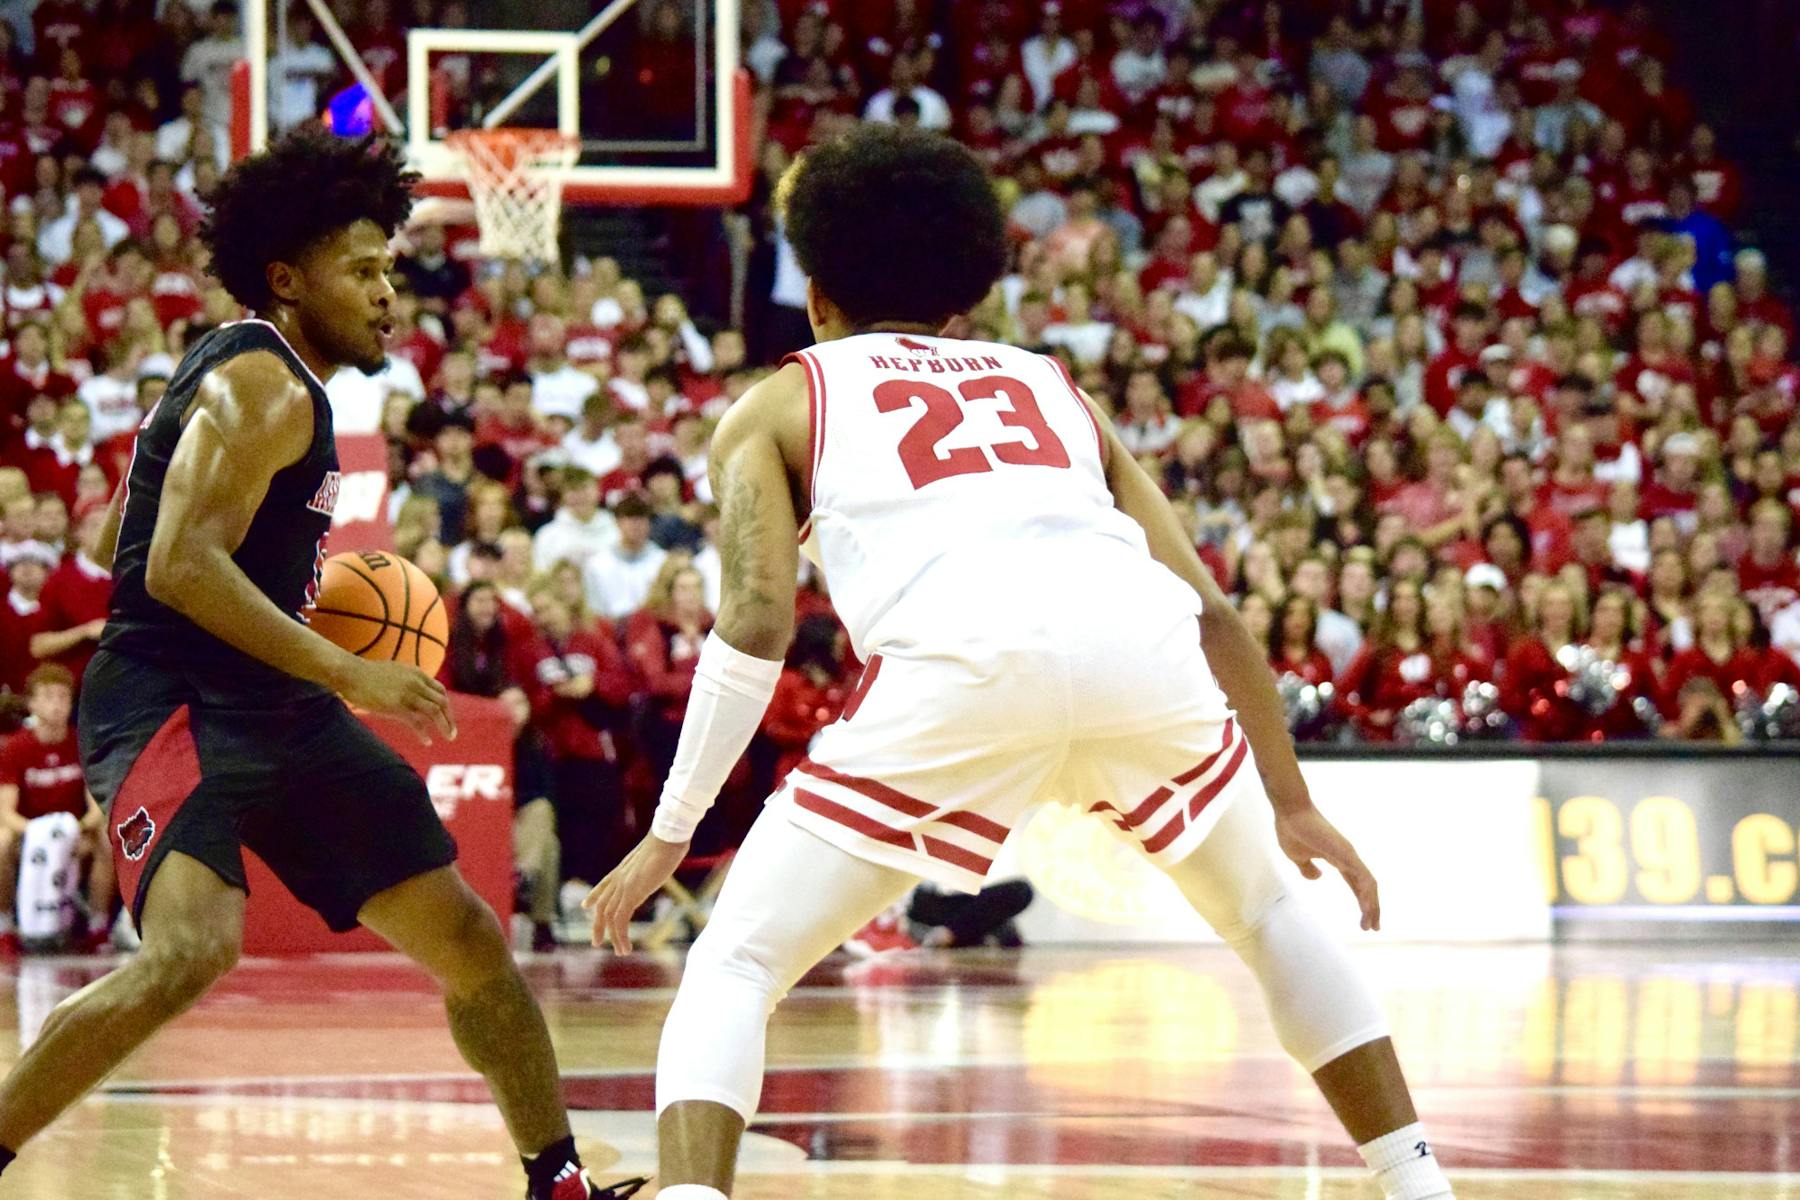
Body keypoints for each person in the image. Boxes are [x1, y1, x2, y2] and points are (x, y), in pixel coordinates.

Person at [583, 126, 1451, 1200]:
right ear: (963, 295)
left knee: (739, 961)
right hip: (1137, 648)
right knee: (1271, 916)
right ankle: (1417, 1183)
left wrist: (670, 833)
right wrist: (1292, 800)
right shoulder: (1051, 386)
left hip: (964, 667)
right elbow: (1216, 610)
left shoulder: (779, 402)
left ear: (816, 298)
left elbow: (757, 624)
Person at [0, 129, 645, 1200]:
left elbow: (135, 526)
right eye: (363, 270)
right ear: (289, 280)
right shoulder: (264, 382)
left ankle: (559, 1180)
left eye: (390, 268)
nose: (389, 293)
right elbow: (174, 564)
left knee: (468, 937)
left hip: (274, 702)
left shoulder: (255, 369)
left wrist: (295, 609)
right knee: (190, 951)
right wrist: (353, 670)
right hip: (173, 699)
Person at [0, 666, 112, 953]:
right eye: (48, 696)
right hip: (29, 836)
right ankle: (4, 928)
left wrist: (74, 830)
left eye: (63, 697)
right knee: (1, 842)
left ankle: (98, 928)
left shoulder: (82, 743)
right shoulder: (15, 747)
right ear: (32, 704)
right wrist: (43, 833)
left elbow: (96, 807)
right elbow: (6, 812)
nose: (57, 704)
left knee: (107, 840)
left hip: (74, 834)